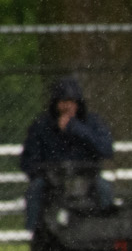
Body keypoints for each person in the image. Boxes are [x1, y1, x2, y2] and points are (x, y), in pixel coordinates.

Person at [20, 75, 115, 234]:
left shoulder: (92, 123)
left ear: (78, 103)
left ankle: (106, 233)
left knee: (104, 188)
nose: (67, 107)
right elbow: (28, 161)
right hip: (51, 180)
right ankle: (34, 236)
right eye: (63, 102)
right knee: (35, 189)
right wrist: (48, 173)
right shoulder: (42, 126)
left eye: (72, 102)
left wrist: (76, 129)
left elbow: (106, 150)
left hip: (87, 179)